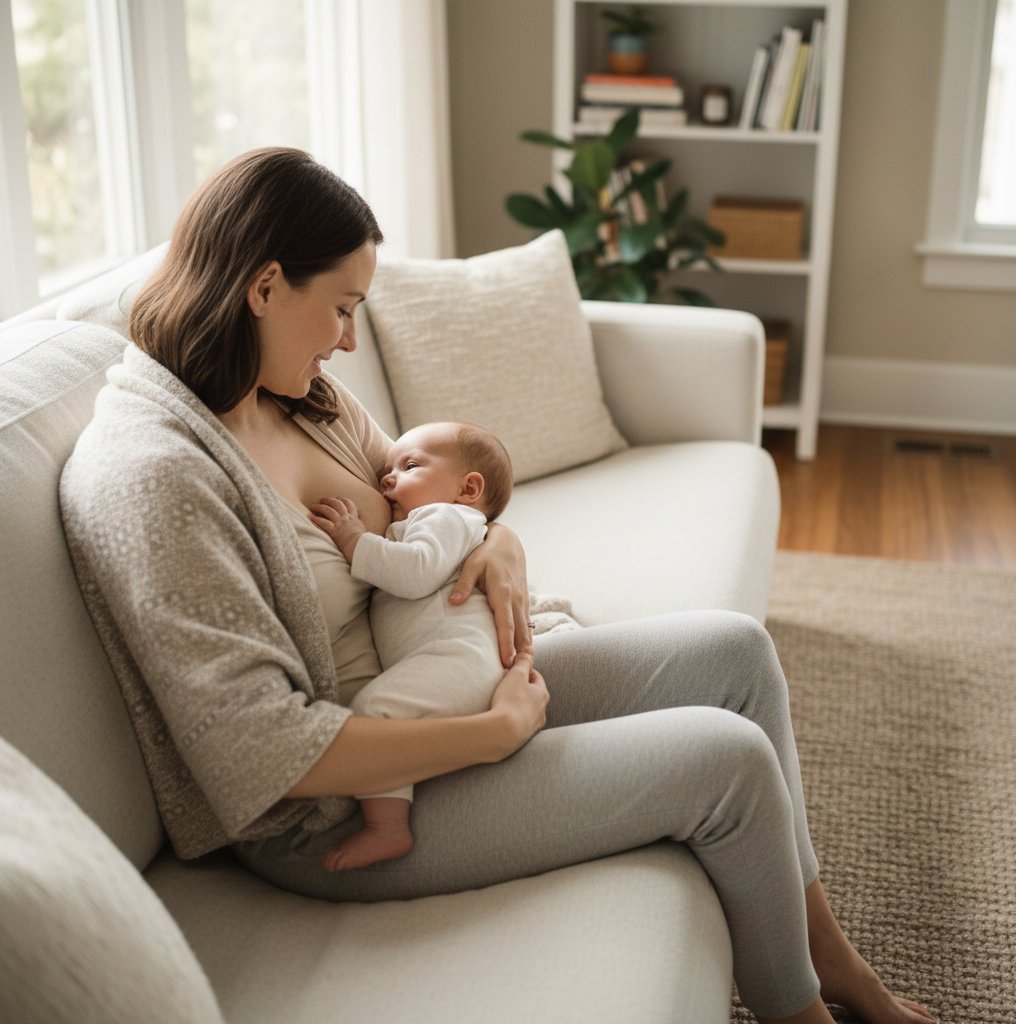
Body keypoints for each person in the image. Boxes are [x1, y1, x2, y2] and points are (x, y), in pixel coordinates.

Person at [59, 147, 933, 1024]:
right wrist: (488, 735)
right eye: (342, 308)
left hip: (441, 681)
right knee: (725, 761)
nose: (349, 342)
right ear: (265, 286)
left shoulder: (302, 395)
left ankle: (833, 965)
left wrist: (499, 543)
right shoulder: (156, 479)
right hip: (341, 805)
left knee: (735, 651)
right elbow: (263, 756)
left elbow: (431, 505)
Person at [308, 420, 514, 871]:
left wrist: (353, 540)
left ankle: (387, 827)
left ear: (468, 487)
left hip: (457, 660)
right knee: (381, 716)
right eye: (388, 469)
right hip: (459, 662)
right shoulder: (446, 518)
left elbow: (416, 572)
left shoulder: (442, 517)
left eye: (410, 465)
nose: (387, 478)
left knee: (374, 713)